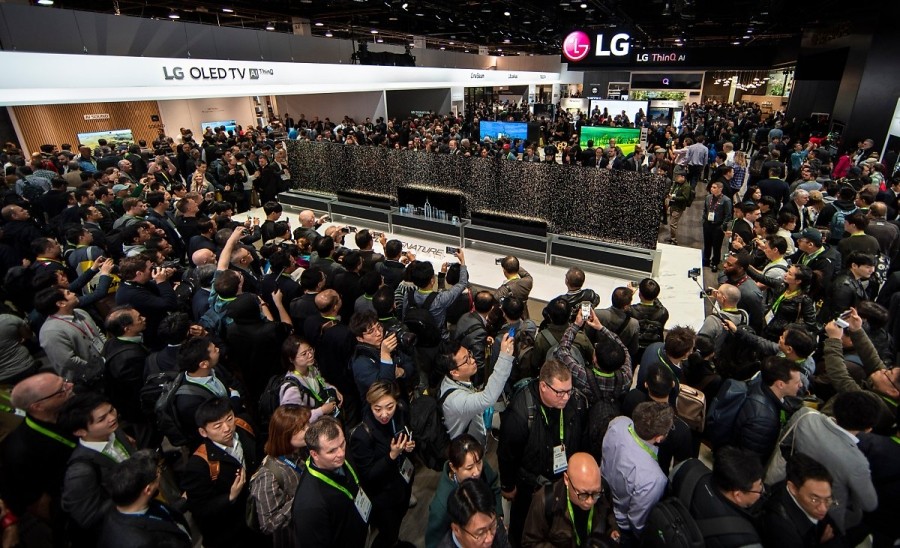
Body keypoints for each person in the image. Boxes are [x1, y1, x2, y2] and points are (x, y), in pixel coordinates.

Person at [498, 360, 589, 545]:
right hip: (530, 489)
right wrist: (508, 486)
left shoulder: (576, 402)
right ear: (543, 386)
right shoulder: (521, 412)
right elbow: (507, 453)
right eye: (560, 392)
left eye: (569, 390)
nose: (566, 397)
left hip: (563, 484)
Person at [0, 373, 75, 544]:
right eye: (61, 390)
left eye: (64, 382)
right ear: (38, 406)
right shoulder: (19, 451)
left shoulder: (69, 409)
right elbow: (38, 503)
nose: (70, 386)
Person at [180, 397, 262, 548]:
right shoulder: (199, 465)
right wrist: (230, 497)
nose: (227, 428)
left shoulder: (244, 426)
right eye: (217, 426)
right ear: (203, 432)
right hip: (232, 530)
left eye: (229, 419)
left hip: (258, 511)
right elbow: (199, 509)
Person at [58, 391, 138, 548]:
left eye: (111, 410)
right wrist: (132, 491)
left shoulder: (113, 431)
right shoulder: (80, 472)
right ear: (80, 431)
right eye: (102, 419)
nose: (112, 418)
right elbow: (88, 517)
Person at [349, 381, 416, 548]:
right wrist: (392, 455)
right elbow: (368, 475)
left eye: (389, 407)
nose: (384, 414)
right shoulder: (362, 435)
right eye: (377, 409)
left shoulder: (400, 412)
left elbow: (406, 432)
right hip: (383, 497)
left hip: (402, 483)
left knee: (397, 524)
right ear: (370, 405)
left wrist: (408, 446)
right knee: (387, 533)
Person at [601, 401, 673, 544]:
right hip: (620, 527)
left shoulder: (618, 422)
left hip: (601, 496)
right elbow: (637, 522)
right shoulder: (654, 478)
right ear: (659, 438)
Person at [292, 416, 369, 547]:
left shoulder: (338, 453)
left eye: (342, 444)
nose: (341, 453)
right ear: (314, 454)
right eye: (331, 451)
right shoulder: (309, 505)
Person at [671, 447, 765, 548]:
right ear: (737, 495)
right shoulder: (746, 541)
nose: (762, 491)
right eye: (759, 489)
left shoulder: (688, 466)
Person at [98, 448, 192, 548]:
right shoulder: (141, 542)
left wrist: (183, 501)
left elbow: (160, 514)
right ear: (148, 489)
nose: (160, 474)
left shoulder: (134, 501)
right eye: (158, 472)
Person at [521, 452, 619, 547]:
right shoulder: (545, 500)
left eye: (595, 493)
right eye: (583, 494)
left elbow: (609, 515)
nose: (590, 501)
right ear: (566, 480)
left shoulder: (603, 490)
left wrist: (612, 531)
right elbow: (530, 543)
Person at [248, 405, 311, 548]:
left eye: (307, 424)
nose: (309, 429)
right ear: (285, 434)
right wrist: (301, 498)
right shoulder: (268, 475)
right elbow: (268, 524)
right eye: (302, 428)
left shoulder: (302, 451)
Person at [426, 434, 503, 548]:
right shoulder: (441, 506)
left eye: (479, 463)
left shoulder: (475, 461)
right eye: (469, 468)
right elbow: (433, 543)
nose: (477, 471)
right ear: (453, 467)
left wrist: (498, 515)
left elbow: (493, 486)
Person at [439, 335, 514, 446]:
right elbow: (487, 398)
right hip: (468, 449)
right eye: (466, 360)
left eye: (469, 354)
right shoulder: (456, 401)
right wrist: (505, 357)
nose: (473, 360)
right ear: (454, 372)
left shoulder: (453, 380)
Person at [761, 453, 847, 548]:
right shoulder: (780, 528)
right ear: (793, 488)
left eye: (828, 499)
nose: (823, 509)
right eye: (814, 499)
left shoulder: (808, 495)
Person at [34, 286, 106, 387]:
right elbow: (68, 361)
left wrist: (108, 351)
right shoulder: (50, 331)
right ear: (61, 303)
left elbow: (97, 332)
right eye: (68, 293)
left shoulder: (80, 312)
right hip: (86, 380)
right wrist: (97, 366)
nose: (73, 293)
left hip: (105, 365)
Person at [115, 256, 178, 350]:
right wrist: (162, 282)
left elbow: (158, 290)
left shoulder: (136, 283)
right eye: (150, 269)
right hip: (156, 335)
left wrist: (164, 277)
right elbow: (170, 304)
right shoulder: (131, 294)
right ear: (139, 273)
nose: (153, 270)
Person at [349, 310, 414, 399]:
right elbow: (385, 388)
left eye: (379, 326)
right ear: (360, 338)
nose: (379, 333)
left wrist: (402, 372)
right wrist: (385, 354)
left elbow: (409, 363)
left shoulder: (386, 342)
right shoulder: (360, 363)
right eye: (371, 331)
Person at [277, 335, 342, 422]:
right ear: (291, 359)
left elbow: (321, 383)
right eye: (304, 354)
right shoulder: (291, 387)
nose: (310, 355)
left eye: (310, 350)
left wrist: (332, 389)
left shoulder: (312, 368)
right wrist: (321, 411)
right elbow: (293, 420)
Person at [439, 478, 511, 548]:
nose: (489, 539)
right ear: (456, 530)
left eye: (492, 526)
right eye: (481, 533)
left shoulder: (494, 523)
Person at [702, 181, 733, 272]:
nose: (712, 189)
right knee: (707, 243)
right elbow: (705, 209)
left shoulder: (726, 200)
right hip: (708, 224)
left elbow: (728, 215)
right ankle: (706, 259)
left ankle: (715, 262)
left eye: (714, 187)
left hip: (718, 225)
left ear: (720, 189)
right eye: (712, 187)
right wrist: (704, 220)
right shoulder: (708, 197)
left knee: (716, 246)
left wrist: (723, 226)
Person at [667, 172, 691, 245]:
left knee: (672, 224)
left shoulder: (686, 186)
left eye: (678, 176)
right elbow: (673, 190)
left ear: (683, 177)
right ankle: (671, 237)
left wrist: (673, 197)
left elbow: (685, 198)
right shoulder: (676, 183)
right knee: (671, 222)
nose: (676, 178)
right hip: (672, 205)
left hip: (678, 207)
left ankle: (674, 240)